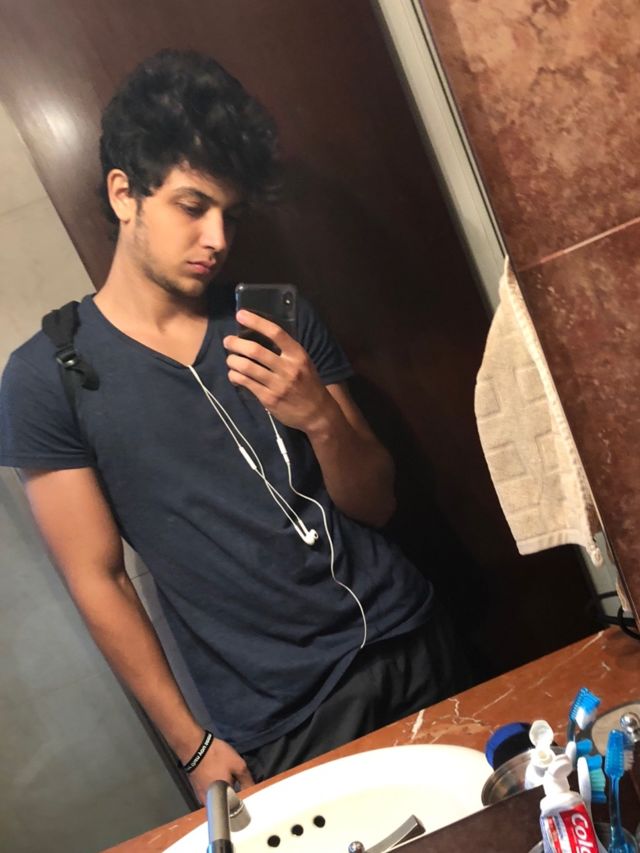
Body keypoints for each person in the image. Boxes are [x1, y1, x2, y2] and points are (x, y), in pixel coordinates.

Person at [0, 49, 464, 803]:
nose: (217, 237)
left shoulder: (273, 320)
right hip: (283, 712)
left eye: (232, 215)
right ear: (124, 193)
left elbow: (377, 502)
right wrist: (191, 746)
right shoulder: (49, 376)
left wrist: (320, 417)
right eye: (193, 206)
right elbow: (98, 578)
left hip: (409, 637)